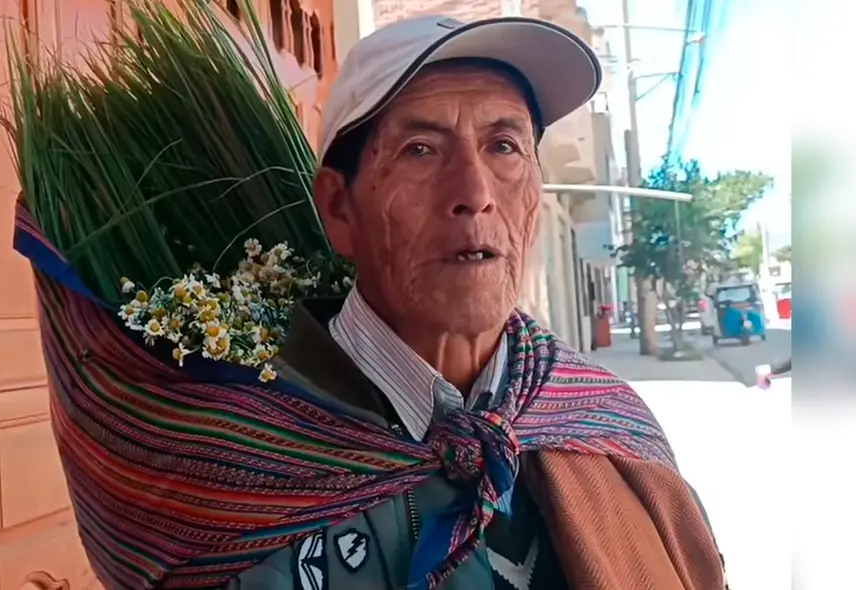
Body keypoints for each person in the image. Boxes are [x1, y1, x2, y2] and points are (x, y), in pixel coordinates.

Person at [36, 14, 728, 590]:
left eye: (505, 146)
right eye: (423, 149)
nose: (475, 191)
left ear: (534, 196)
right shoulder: (229, 463)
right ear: (339, 210)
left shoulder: (607, 423)